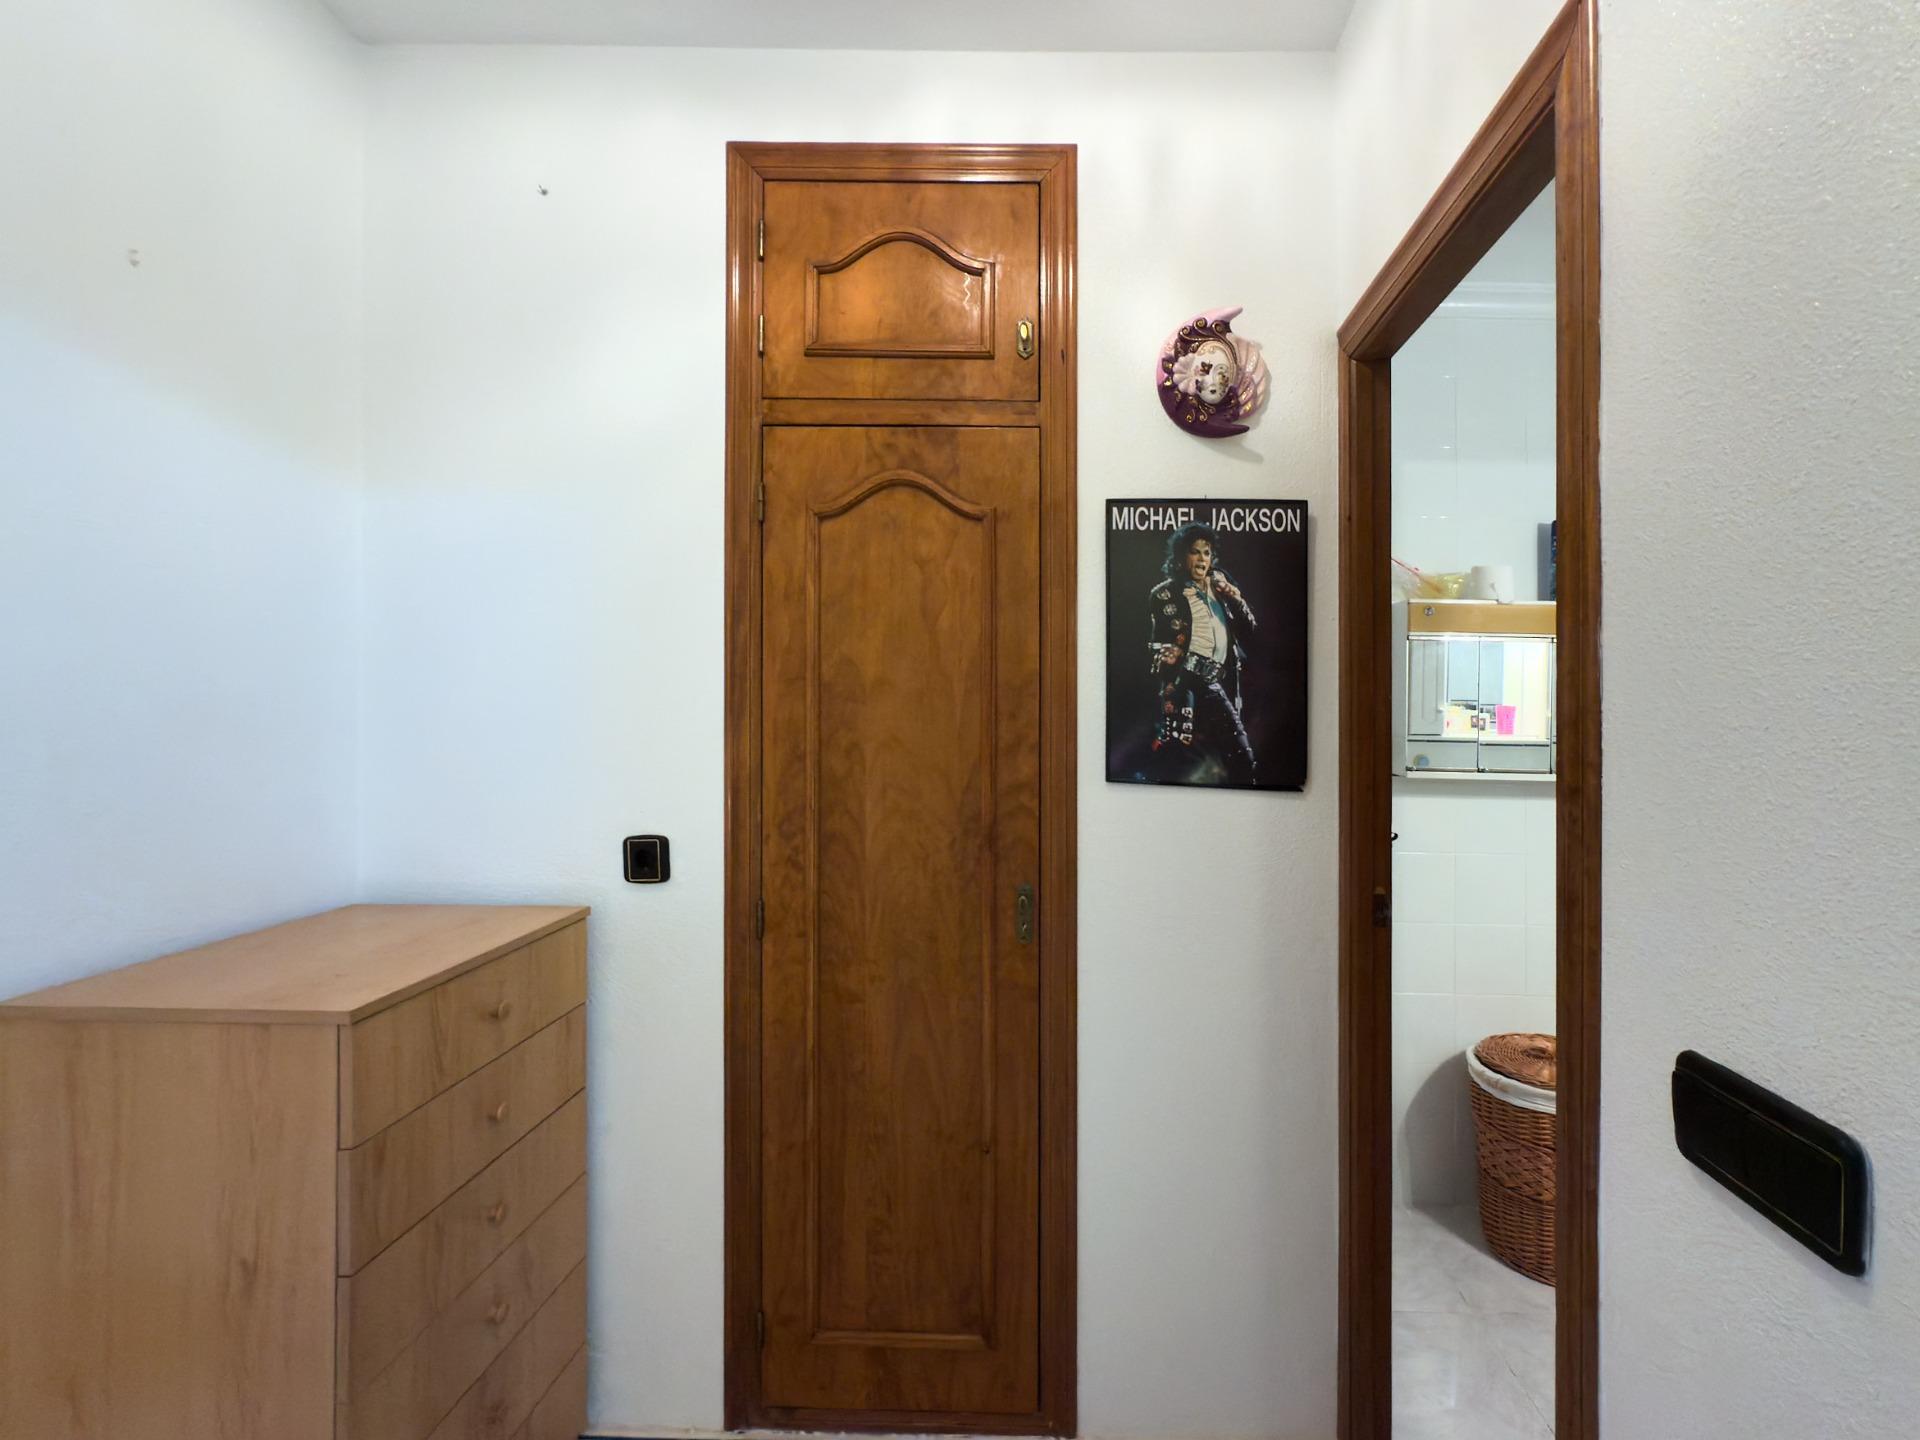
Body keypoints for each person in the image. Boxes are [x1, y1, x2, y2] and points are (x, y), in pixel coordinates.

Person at [1146, 522, 1258, 783]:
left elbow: (1250, 631)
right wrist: (1168, 664)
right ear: (1180, 557)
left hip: (1215, 682)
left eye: (1206, 553)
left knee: (1242, 759)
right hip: (1183, 681)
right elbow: (1156, 645)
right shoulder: (1165, 594)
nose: (1201, 559)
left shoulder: (1221, 585)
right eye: (1194, 552)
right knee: (1178, 758)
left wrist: (1235, 598)